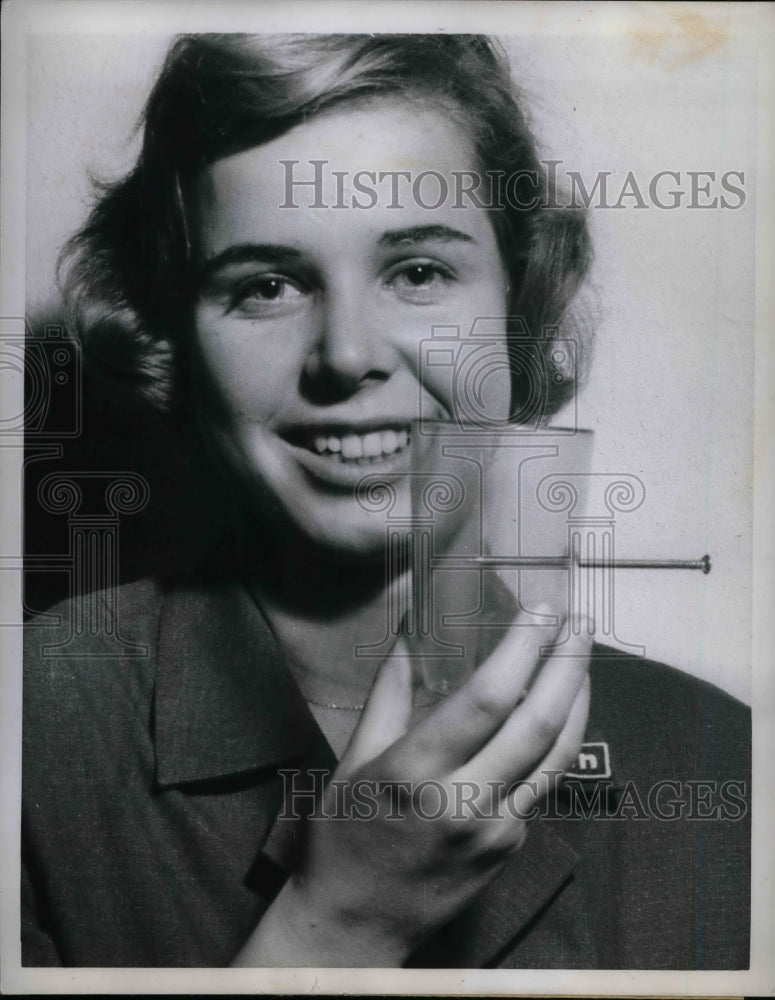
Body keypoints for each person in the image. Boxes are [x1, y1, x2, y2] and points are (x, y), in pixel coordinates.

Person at [22, 33, 750, 969]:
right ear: (174, 338)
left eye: (417, 272)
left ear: (518, 306)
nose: (347, 355)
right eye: (266, 286)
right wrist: (338, 922)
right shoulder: (31, 727)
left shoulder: (717, 756)